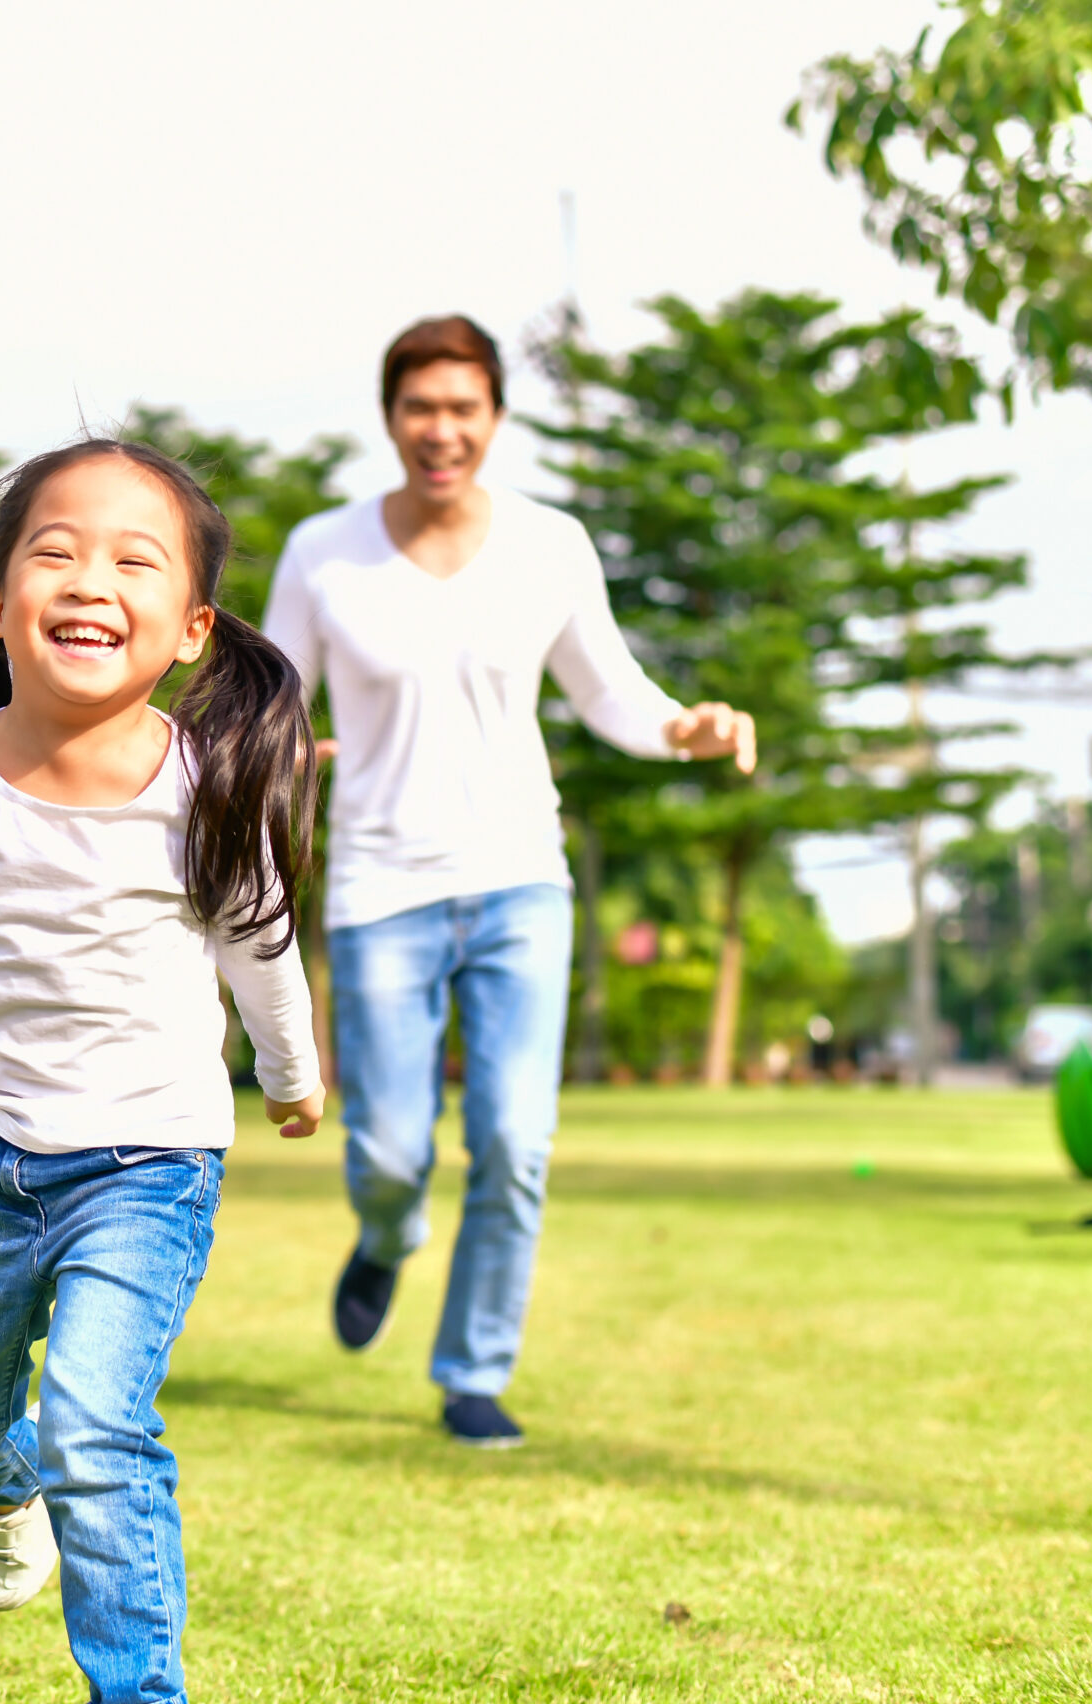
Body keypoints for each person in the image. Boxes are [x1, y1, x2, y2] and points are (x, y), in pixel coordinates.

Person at [0, 439, 324, 1704]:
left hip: (150, 1166)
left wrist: (293, 1078)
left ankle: (136, 1690)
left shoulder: (210, 785)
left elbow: (262, 948)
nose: (91, 578)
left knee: (95, 1424)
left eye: (135, 560)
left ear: (190, 628)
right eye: (56, 550)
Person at [262, 315, 756, 1448]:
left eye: (462, 409)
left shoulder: (548, 542)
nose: (441, 430)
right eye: (420, 408)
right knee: (389, 1147)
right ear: (390, 418)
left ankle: (473, 1368)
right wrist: (277, 752)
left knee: (515, 1139)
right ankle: (387, 1236)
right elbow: (276, 701)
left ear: (493, 418)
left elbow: (611, 692)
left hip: (519, 877)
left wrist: (686, 726)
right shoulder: (323, 550)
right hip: (382, 883)